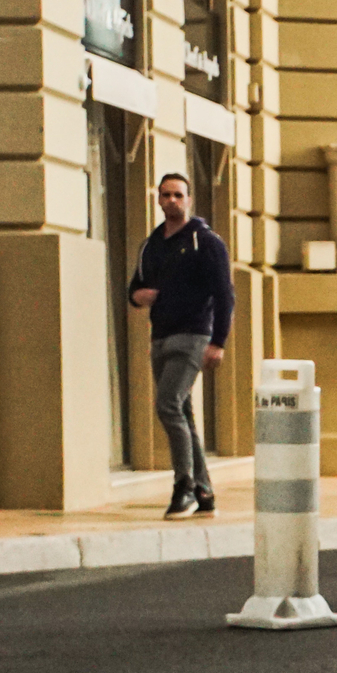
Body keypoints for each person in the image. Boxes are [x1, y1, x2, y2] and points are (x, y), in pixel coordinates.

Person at [128, 172, 233, 518]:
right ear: (158, 200)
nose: (172, 200)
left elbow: (224, 295)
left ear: (188, 200)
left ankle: (184, 486)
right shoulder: (152, 244)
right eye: (166, 195)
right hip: (160, 336)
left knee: (168, 405)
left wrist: (217, 342)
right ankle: (205, 491)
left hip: (193, 335)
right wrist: (138, 296)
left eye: (178, 195)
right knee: (182, 412)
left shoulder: (206, 242)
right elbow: (135, 288)